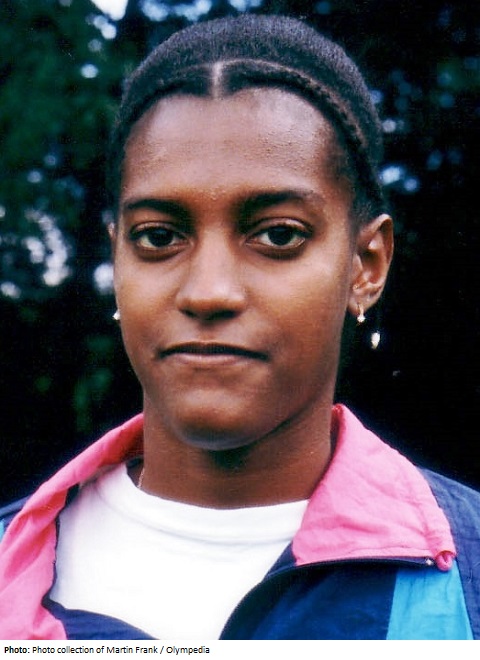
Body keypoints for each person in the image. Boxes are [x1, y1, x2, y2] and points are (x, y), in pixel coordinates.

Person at [0, 14, 479, 641]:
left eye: (278, 236)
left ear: (366, 265)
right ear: (117, 259)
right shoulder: (13, 561)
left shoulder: (467, 572)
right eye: (159, 238)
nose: (209, 292)